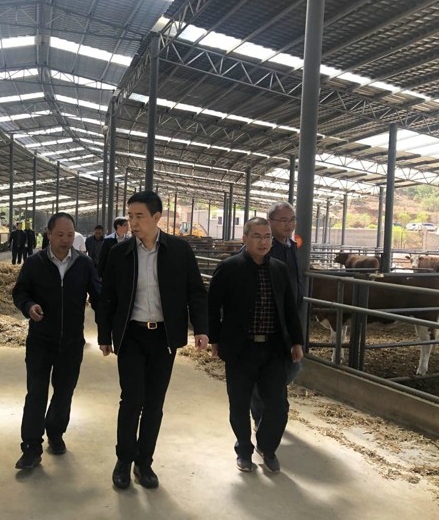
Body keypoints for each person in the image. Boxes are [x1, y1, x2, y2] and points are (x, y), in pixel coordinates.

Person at [98, 191, 208, 490]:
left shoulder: (179, 251)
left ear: (157, 217)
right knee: (131, 399)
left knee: (154, 403)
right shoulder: (119, 253)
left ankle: (144, 463)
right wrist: (104, 334)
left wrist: (201, 328)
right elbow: (107, 297)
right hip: (131, 335)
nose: (132, 222)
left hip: (163, 337)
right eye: (130, 216)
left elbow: (196, 291)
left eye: (139, 216)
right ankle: (124, 460)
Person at [207, 217, 303, 473]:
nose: (263, 241)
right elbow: (212, 306)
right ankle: (243, 449)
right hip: (241, 349)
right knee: (239, 403)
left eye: (267, 236)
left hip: (273, 349)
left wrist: (296, 341)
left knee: (278, 405)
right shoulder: (229, 267)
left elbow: (289, 309)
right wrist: (215, 339)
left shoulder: (280, 269)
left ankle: (267, 446)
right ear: (245, 239)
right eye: (257, 236)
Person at [12, 212, 101, 470]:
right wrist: (29, 306)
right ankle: (31, 446)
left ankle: (55, 432)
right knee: (36, 393)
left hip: (72, 342)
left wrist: (109, 326)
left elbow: (98, 296)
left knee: (64, 392)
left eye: (70, 235)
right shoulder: (35, 262)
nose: (65, 240)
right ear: (49, 235)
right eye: (60, 234)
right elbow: (20, 292)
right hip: (40, 340)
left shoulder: (84, 264)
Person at [250, 202, 304, 426]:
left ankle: (268, 408)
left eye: (292, 220)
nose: (289, 225)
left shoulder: (291, 247)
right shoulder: (263, 248)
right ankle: (260, 414)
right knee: (271, 370)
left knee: (292, 366)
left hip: (288, 320)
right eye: (283, 220)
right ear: (270, 221)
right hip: (267, 321)